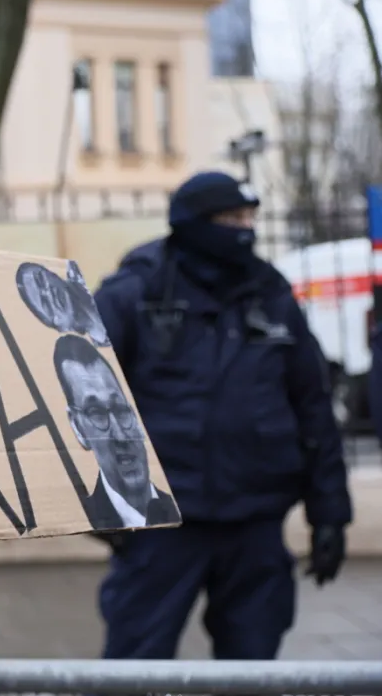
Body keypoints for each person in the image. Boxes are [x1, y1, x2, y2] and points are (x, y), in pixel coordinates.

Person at [93, 171, 351, 661]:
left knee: (253, 666)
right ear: (193, 224)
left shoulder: (269, 293)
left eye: (249, 218)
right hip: (161, 525)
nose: (245, 230)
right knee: (134, 666)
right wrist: (103, 511)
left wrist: (330, 515)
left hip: (255, 522)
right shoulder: (138, 291)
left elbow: (313, 406)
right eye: (231, 219)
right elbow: (82, 391)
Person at [52, 335, 178, 530]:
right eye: (97, 414)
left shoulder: (180, 505)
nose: (120, 435)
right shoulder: (81, 523)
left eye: (120, 409)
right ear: (78, 427)